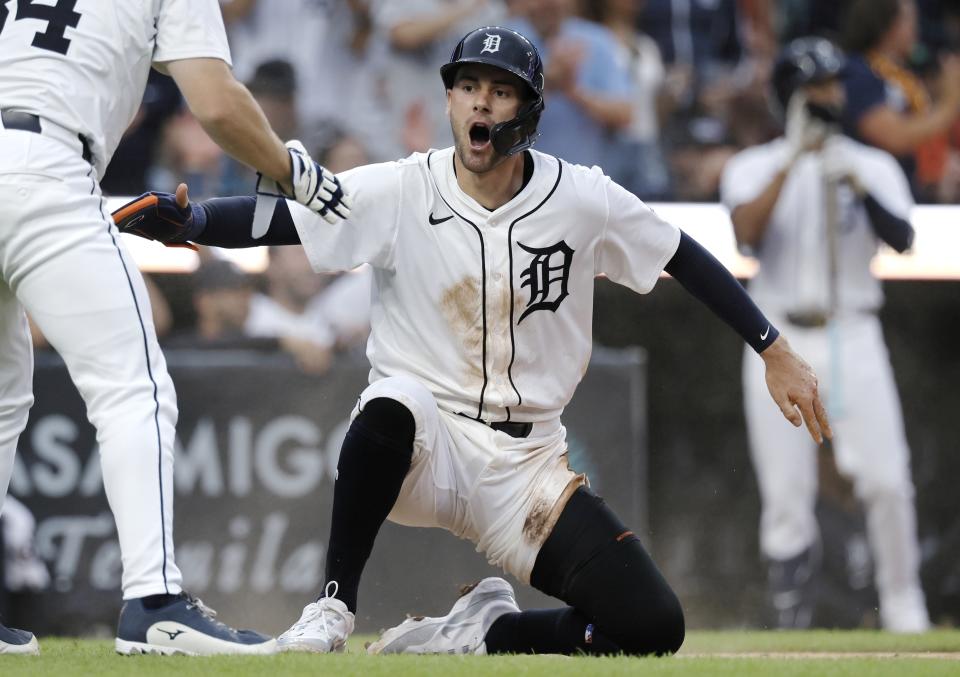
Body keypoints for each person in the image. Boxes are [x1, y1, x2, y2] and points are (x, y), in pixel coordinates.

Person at [114, 26, 830, 656]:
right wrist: (197, 221)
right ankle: (330, 608)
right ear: (450, 101)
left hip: (527, 465)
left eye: (500, 90)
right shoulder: (407, 187)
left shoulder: (580, 197)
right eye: (466, 86)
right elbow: (288, 218)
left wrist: (772, 345)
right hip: (429, 441)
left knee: (650, 627)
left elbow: (680, 253)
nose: (480, 102)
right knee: (388, 404)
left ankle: (483, 631)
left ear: (530, 111)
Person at [0, 0, 348, 656]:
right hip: (47, 170)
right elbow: (215, 104)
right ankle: (155, 601)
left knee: (2, 396)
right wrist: (293, 170)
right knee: (136, 389)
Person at [720, 37, 929, 633]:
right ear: (787, 95)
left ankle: (904, 608)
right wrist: (793, 156)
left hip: (855, 330)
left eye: (833, 86)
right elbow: (746, 235)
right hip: (778, 337)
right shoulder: (756, 164)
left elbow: (903, 239)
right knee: (786, 492)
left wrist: (854, 180)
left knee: (887, 479)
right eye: (815, 87)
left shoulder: (870, 163)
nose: (827, 98)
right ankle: (792, 620)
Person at [840, 0, 960, 199]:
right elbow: (894, 137)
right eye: (909, 19)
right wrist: (949, 103)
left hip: (908, 191)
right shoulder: (857, 74)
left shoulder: (902, 75)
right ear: (885, 24)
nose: (916, 28)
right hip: (873, 197)